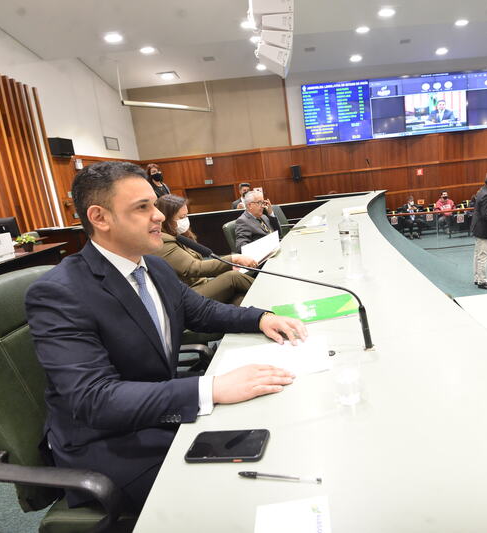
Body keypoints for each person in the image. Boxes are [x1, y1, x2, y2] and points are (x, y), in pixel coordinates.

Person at [24, 161, 307, 512]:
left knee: (271, 431)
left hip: (157, 413)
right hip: (106, 444)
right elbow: (94, 400)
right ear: (100, 217)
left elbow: (202, 311)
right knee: (239, 494)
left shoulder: (153, 266)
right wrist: (211, 388)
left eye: (154, 205)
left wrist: (261, 318)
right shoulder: (59, 293)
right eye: (142, 207)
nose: (159, 215)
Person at [153, 194, 256, 305]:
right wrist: (233, 259)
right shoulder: (164, 242)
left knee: (240, 299)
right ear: (166, 219)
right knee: (233, 277)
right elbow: (193, 268)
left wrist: (226, 267)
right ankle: (268, 292)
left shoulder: (178, 235)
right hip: (189, 294)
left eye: (186, 216)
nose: (185, 220)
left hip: (202, 284)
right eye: (182, 217)